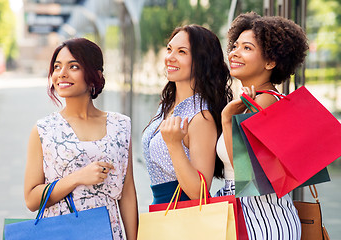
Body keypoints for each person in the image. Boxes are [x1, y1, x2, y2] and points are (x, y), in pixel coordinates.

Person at [24, 38, 138, 240]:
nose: (61, 74)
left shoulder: (121, 125)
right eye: (57, 67)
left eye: (73, 66)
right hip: (62, 233)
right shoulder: (44, 129)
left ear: (95, 75)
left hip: (109, 232)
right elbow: (32, 199)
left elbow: (127, 193)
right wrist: (76, 178)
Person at [215, 12, 309, 239]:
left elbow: (243, 171)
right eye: (235, 46)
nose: (235, 52)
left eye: (247, 48)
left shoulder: (266, 102)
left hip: (262, 218)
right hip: (247, 213)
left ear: (271, 62)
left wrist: (227, 118)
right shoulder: (250, 103)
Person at [142, 24, 233, 204]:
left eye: (181, 52)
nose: (170, 57)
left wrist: (174, 145)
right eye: (169, 49)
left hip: (181, 216)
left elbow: (200, 194)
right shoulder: (167, 106)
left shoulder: (201, 117)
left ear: (201, 61)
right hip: (160, 212)